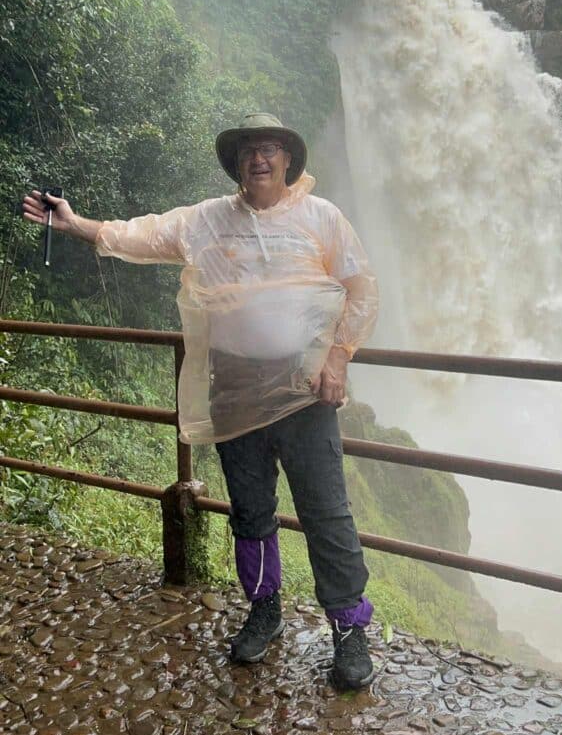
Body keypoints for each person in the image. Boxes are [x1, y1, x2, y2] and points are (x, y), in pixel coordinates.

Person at [23, 112, 379, 689]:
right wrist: (74, 224)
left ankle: (348, 628)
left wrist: (339, 356)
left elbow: (360, 288)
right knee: (251, 511)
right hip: (234, 390)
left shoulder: (322, 218)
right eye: (247, 151)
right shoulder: (209, 220)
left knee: (326, 512)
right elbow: (143, 233)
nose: (258, 159)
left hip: (304, 392)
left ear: (288, 159)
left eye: (268, 149)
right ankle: (264, 610)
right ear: (236, 163)